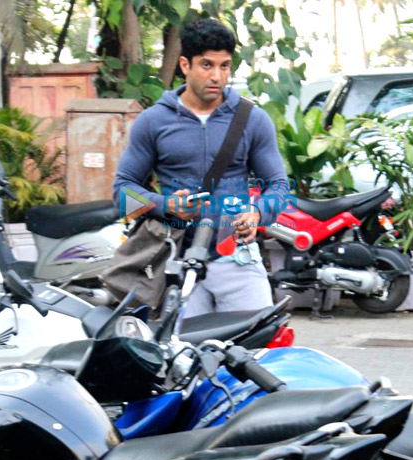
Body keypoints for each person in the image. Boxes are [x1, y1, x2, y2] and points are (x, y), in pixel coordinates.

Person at [112, 18, 289, 317]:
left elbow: (279, 186)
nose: (216, 76)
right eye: (207, 65)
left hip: (239, 261)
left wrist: (258, 212)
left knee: (254, 352)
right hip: (176, 264)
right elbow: (122, 193)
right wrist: (166, 205)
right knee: (186, 359)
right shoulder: (153, 122)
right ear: (185, 65)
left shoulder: (252, 119)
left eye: (224, 66)